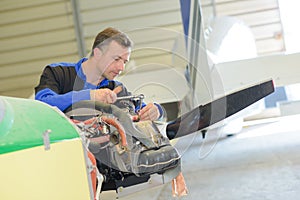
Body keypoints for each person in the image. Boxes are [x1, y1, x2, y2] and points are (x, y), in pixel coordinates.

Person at [35, 27, 163, 121]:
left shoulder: (116, 89)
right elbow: (42, 104)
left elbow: (142, 109)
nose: (121, 68)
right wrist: (90, 95)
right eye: (116, 59)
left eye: (124, 62)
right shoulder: (58, 72)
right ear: (97, 53)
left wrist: (156, 111)